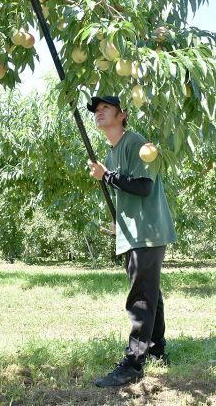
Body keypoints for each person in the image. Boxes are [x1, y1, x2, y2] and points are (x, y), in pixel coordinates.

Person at [87, 96, 177, 388]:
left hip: (147, 232)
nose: (99, 113)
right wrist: (120, 222)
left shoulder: (135, 142)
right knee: (150, 292)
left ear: (122, 114)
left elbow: (143, 185)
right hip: (134, 232)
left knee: (141, 296)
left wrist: (107, 176)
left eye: (105, 108)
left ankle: (133, 363)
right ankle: (157, 348)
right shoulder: (113, 152)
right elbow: (128, 196)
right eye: (96, 110)